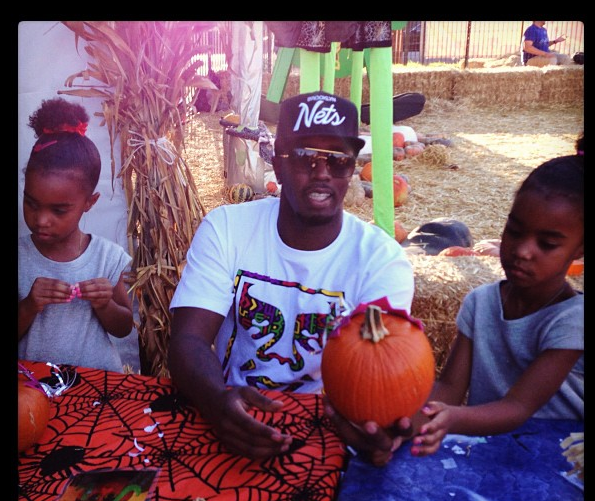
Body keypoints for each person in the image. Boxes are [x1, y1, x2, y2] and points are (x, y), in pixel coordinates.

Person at [169, 91, 415, 464]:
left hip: (330, 427)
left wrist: (376, 428)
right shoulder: (227, 229)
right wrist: (217, 402)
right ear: (278, 164)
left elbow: (382, 370)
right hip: (234, 412)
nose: (322, 172)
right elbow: (188, 340)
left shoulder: (381, 260)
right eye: (304, 156)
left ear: (352, 169)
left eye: (338, 160)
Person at [409, 137, 584, 457]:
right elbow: (449, 388)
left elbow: (518, 406)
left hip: (560, 459)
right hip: (491, 454)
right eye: (514, 232)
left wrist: (451, 419)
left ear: (580, 250)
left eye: (547, 244)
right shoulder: (481, 303)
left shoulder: (573, 320)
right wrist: (401, 417)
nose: (523, 251)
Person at [18, 98, 134, 373]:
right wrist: (29, 305)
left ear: (89, 203)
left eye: (58, 210)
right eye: (31, 203)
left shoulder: (106, 257)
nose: (41, 220)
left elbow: (123, 327)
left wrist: (105, 304)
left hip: (97, 384)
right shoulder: (21, 257)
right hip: (32, 384)